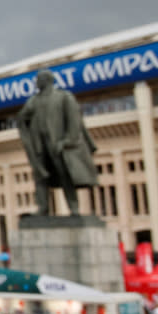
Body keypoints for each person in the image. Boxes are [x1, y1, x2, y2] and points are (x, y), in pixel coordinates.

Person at [17, 69, 98, 215]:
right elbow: (22, 118)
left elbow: (74, 121)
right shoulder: (34, 101)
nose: (36, 82)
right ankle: (43, 208)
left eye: (38, 79)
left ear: (47, 80)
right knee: (40, 176)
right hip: (40, 146)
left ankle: (73, 208)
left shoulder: (63, 97)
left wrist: (67, 141)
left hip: (58, 144)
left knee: (65, 175)